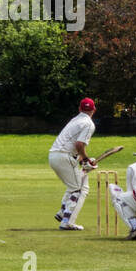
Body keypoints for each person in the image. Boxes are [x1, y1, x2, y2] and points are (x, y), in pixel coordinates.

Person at [49, 97, 98, 231]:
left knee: (74, 186)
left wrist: (83, 160)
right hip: (65, 156)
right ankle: (67, 222)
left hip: (54, 155)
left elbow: (73, 144)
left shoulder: (74, 120)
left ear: (80, 109)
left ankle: (62, 213)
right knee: (79, 189)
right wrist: (86, 159)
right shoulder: (89, 124)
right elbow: (79, 144)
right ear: (94, 109)